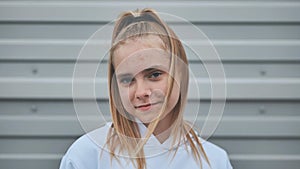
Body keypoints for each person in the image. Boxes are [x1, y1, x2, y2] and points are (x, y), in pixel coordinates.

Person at [60, 8, 233, 169]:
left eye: (154, 74)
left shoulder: (214, 160)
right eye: (127, 79)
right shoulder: (86, 156)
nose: (141, 92)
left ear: (181, 74)